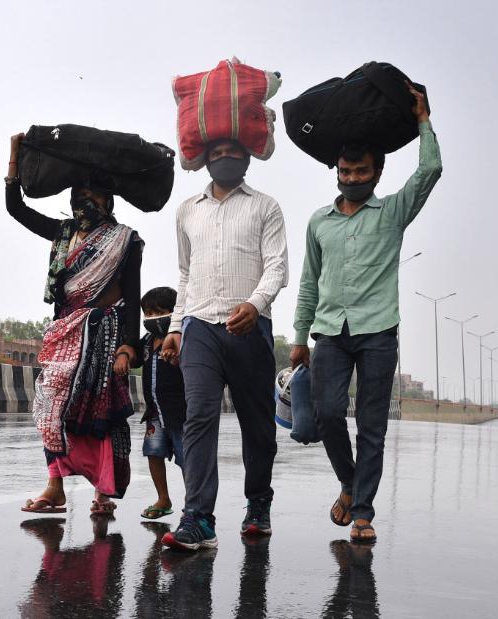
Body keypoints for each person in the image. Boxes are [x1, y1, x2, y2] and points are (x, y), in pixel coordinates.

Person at [291, 84, 440, 543]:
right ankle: (349, 481)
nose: (352, 177)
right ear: (336, 172)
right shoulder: (319, 221)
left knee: (372, 426)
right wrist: (299, 336)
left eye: (361, 171)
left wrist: (423, 121)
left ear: (377, 173)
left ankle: (362, 512)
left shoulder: (392, 212)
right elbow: (309, 280)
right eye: (345, 170)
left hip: (378, 333)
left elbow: (431, 168)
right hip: (330, 332)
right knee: (328, 413)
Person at [159, 138, 290, 551]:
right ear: (204, 160)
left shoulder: (265, 206)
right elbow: (184, 273)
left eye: (231, 153)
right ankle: (198, 517)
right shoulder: (187, 211)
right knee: (198, 416)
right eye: (215, 154)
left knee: (257, 424)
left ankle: (258, 502)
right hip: (200, 327)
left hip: (250, 325)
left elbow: (277, 265)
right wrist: (176, 327)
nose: (223, 160)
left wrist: (256, 303)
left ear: (247, 156)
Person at [8, 133, 144, 517]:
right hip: (64, 331)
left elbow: (132, 296)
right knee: (50, 404)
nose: (83, 201)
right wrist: (14, 158)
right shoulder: (62, 233)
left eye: (91, 195)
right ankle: (55, 487)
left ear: (108, 202)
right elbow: (16, 209)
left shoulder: (126, 240)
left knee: (97, 411)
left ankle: (103, 493)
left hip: (104, 336)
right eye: (77, 195)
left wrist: (127, 346)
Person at [138, 287, 187, 520]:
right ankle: (163, 498)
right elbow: (131, 354)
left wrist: (178, 359)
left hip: (181, 413)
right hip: (154, 412)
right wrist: (123, 354)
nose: (151, 318)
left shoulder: (183, 338)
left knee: (188, 459)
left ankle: (193, 503)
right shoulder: (146, 342)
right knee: (154, 453)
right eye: (147, 313)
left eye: (157, 312)